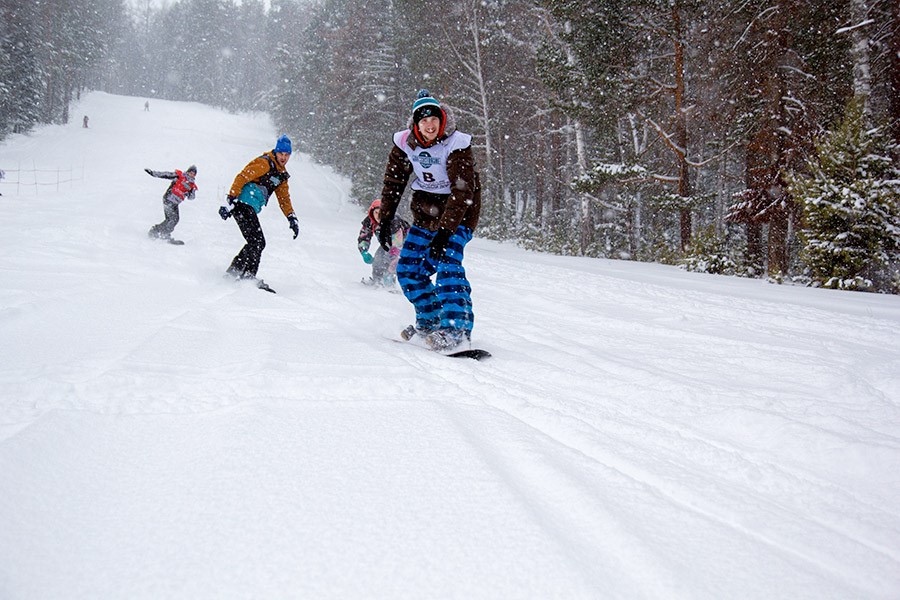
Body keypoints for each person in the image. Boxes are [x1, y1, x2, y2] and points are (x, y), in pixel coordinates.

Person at [378, 89, 481, 351]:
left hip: (459, 214)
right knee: (408, 268)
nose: (430, 125)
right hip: (427, 214)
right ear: (416, 124)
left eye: (434, 119)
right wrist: (386, 219)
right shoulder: (405, 143)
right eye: (423, 121)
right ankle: (431, 319)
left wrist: (445, 233)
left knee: (448, 263)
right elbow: (394, 182)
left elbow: (461, 190)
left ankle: (457, 329)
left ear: (442, 119)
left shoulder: (456, 143)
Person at [219, 134, 298, 291]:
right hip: (242, 204)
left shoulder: (281, 175)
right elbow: (242, 176)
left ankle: (234, 271)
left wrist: (291, 217)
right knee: (258, 242)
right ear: (276, 152)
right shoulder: (265, 163)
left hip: (249, 207)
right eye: (281, 154)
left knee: (255, 242)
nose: (283, 157)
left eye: (286, 155)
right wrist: (231, 199)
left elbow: (284, 198)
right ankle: (247, 276)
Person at [358, 199, 410, 288]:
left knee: (391, 261)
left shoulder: (394, 221)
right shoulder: (369, 221)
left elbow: (397, 245)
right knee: (378, 259)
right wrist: (364, 251)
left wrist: (390, 269)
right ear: (372, 212)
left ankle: (392, 284)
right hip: (387, 243)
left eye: (381, 213)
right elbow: (364, 237)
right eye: (376, 212)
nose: (378, 216)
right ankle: (377, 281)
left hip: (406, 242)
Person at [145, 165, 198, 244]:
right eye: (191, 172)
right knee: (172, 219)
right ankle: (156, 232)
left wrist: (191, 191)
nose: (192, 175)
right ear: (188, 171)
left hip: (175, 203)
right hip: (168, 199)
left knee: (173, 219)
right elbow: (166, 175)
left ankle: (162, 233)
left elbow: (191, 198)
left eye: (194, 174)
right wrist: (153, 173)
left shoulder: (191, 185)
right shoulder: (180, 176)